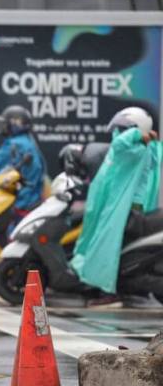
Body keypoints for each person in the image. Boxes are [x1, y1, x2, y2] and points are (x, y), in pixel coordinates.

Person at [70, 107, 161, 306]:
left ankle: (109, 292)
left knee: (106, 248)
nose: (117, 133)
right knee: (101, 246)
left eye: (123, 128)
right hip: (116, 207)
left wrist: (139, 135)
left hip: (127, 210)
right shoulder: (130, 150)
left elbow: (120, 143)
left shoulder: (133, 150)